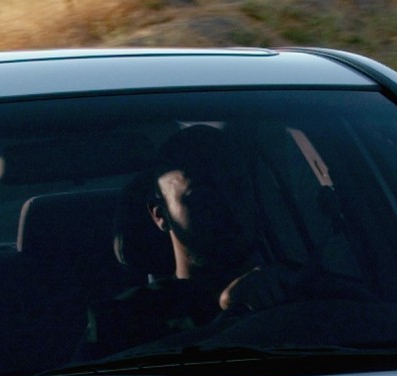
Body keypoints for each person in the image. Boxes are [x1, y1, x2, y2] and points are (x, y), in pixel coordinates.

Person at [85, 124, 296, 357]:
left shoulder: (297, 287)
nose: (229, 207)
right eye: (203, 197)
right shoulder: (120, 322)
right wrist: (224, 312)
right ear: (160, 215)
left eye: (238, 188)